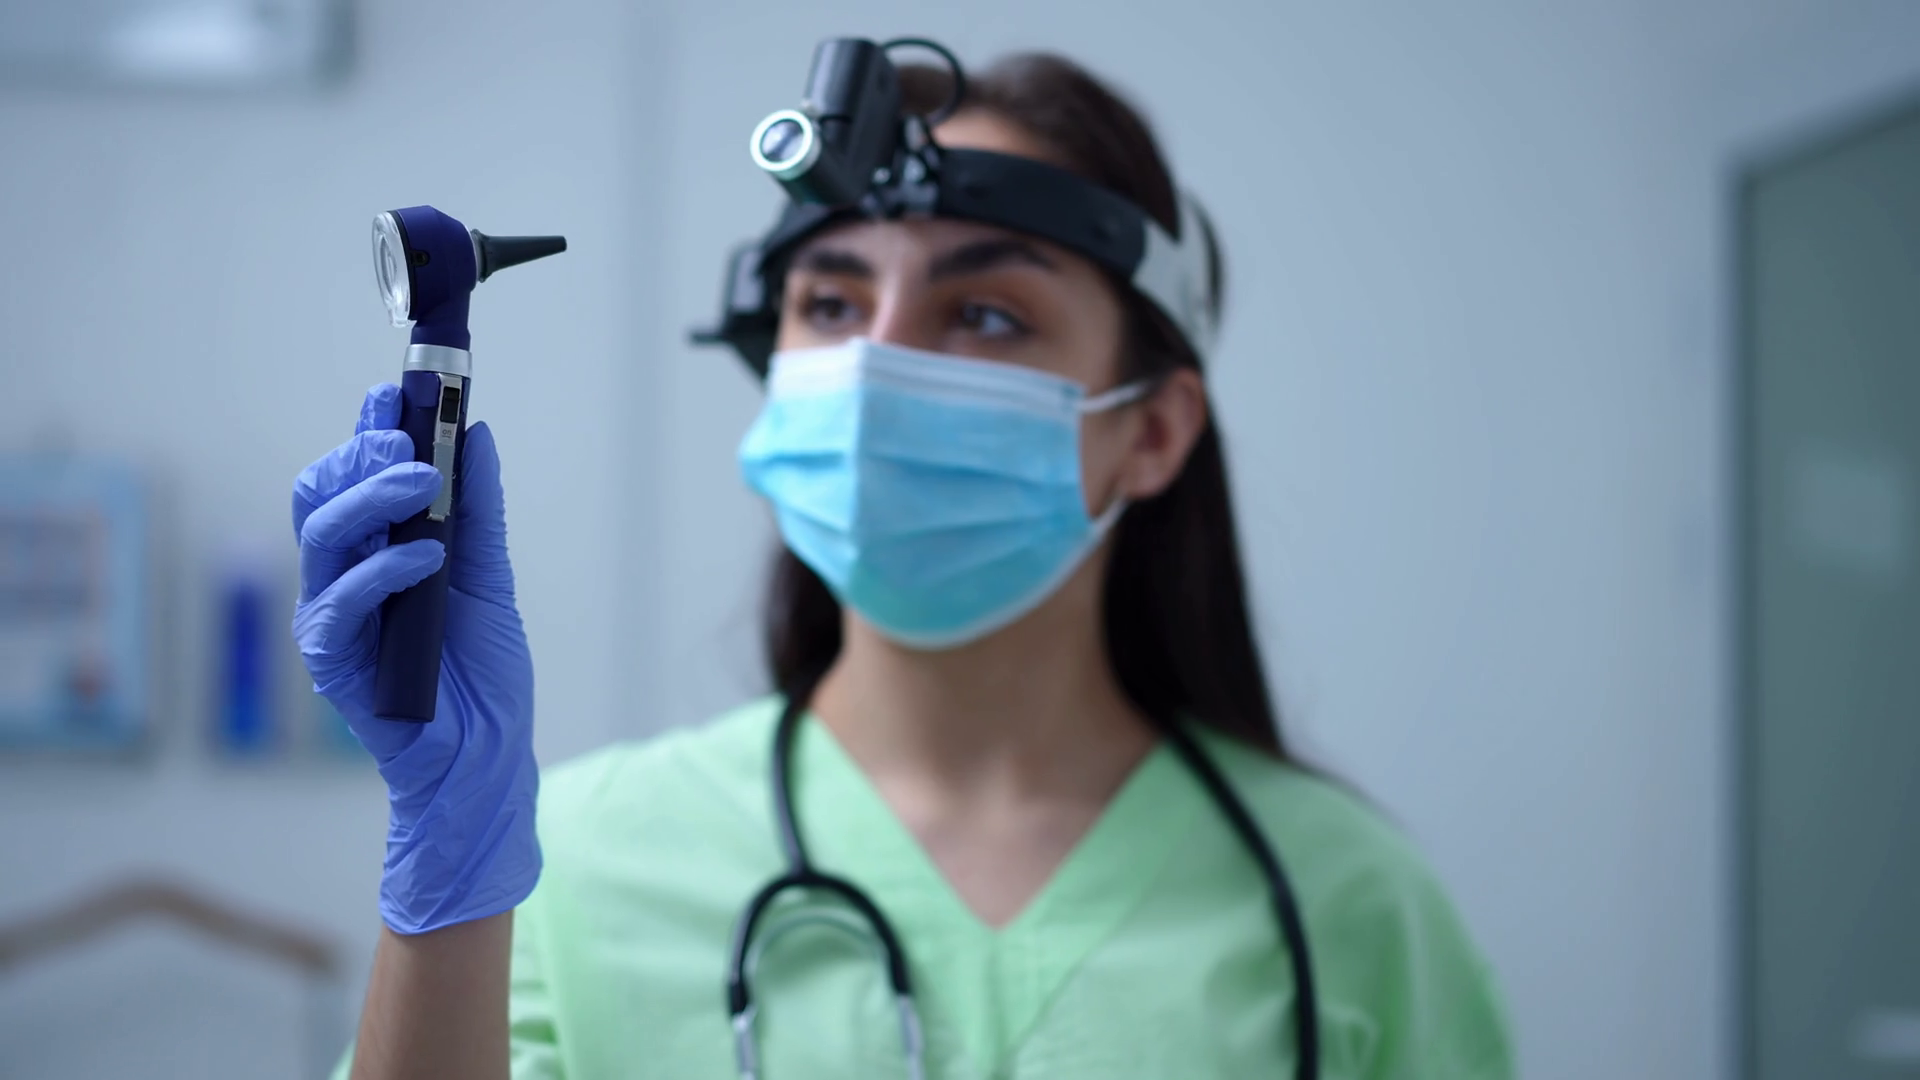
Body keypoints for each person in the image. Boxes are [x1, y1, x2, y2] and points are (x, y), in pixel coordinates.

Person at [299, 47, 1513, 1080]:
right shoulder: (568, 865)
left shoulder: (1348, 906)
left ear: (1152, 430)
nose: (876, 367)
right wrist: (451, 870)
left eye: (985, 313)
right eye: (830, 303)